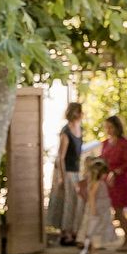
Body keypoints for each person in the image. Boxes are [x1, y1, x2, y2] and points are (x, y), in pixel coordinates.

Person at [47, 102, 85, 246]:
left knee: (77, 201)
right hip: (67, 171)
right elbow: (61, 157)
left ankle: (73, 230)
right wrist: (61, 177)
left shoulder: (79, 129)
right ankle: (65, 232)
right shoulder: (66, 132)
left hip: (76, 170)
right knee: (68, 201)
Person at [100, 115, 127, 252]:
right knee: (103, 210)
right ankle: (101, 240)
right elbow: (103, 161)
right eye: (106, 127)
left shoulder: (124, 143)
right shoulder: (105, 143)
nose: (108, 130)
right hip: (106, 181)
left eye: (111, 127)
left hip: (119, 181)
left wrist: (115, 172)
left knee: (119, 212)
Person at [77, 156, 117, 254]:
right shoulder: (97, 183)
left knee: (96, 229)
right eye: (104, 173)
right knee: (96, 230)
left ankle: (91, 251)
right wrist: (93, 210)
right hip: (97, 210)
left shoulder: (100, 183)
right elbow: (91, 196)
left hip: (102, 210)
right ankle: (94, 252)